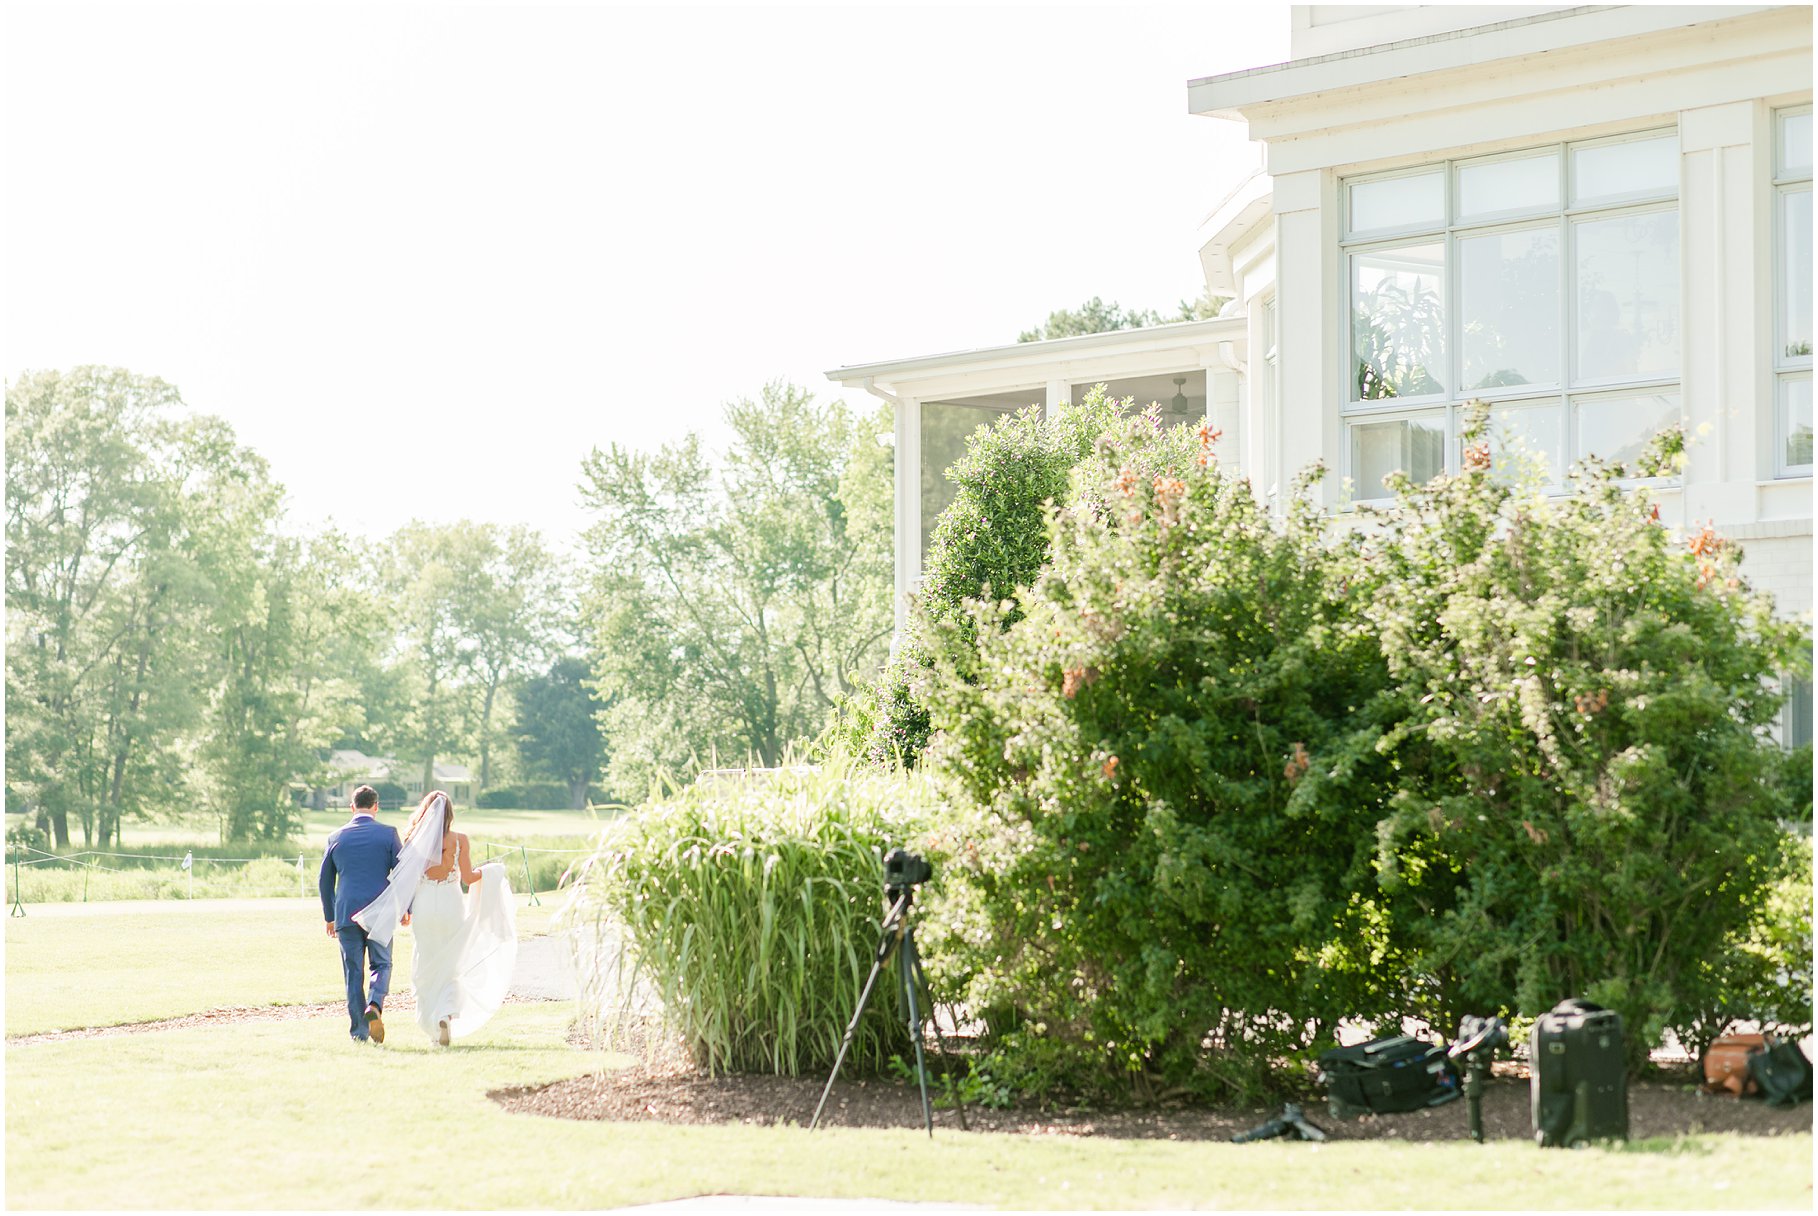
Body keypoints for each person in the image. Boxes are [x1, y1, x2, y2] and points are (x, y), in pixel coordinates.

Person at [354, 789, 518, 1046]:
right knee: (451, 964)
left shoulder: (414, 840)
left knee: (427, 962)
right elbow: (469, 878)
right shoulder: (461, 840)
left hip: (425, 905)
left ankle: (434, 1024)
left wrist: (404, 910)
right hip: (452, 904)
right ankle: (444, 1015)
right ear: (450, 813)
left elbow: (405, 880)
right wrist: (492, 871)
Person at [317, 785, 404, 1044]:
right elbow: (402, 874)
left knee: (353, 972)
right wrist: (405, 908)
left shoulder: (336, 837)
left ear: (352, 807)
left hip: (346, 912)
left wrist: (329, 916)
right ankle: (375, 1004)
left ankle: (359, 1032)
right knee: (382, 963)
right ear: (376, 807)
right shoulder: (388, 834)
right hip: (379, 911)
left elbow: (324, 880)